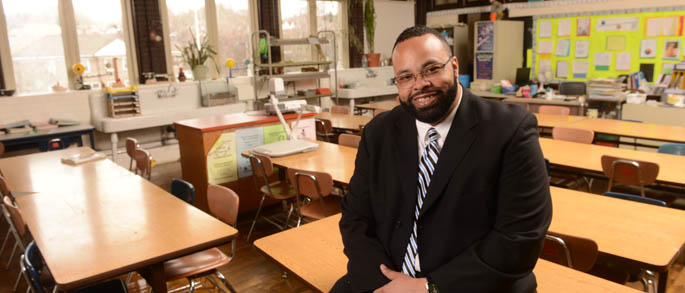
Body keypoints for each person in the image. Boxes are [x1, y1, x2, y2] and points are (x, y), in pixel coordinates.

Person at [332, 26, 552, 292]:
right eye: (405, 77)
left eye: (431, 69)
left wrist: (429, 288)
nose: (420, 84)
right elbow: (355, 218)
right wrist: (385, 284)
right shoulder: (378, 133)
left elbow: (520, 238)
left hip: (470, 285)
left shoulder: (511, 130)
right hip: (388, 279)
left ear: (454, 66)